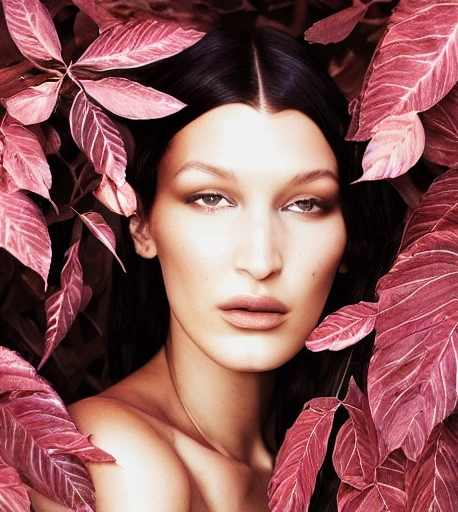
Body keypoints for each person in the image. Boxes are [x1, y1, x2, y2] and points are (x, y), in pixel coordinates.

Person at [31, 25, 404, 512]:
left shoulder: (337, 469)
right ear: (142, 224)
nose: (260, 260)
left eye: (306, 204)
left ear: (350, 237)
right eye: (211, 198)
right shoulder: (119, 459)